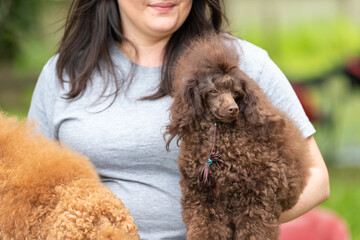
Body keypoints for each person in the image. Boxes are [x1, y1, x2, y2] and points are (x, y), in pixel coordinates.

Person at [28, 0, 330, 239]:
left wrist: (243, 224)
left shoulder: (241, 64)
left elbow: (317, 177)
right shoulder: (63, 74)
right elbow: (30, 192)